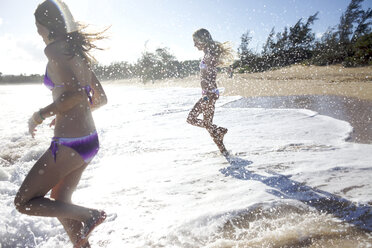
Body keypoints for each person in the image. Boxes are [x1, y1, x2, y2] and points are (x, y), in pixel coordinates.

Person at [14, 0, 108, 247]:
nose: (37, 32)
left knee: (24, 202)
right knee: (60, 198)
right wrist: (64, 113)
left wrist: (41, 114)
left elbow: (76, 94)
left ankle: (90, 215)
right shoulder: (76, 52)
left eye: (38, 26)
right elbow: (99, 98)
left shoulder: (55, 50)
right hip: (89, 141)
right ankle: (82, 244)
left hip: (69, 143)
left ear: (47, 25)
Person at [187, 28, 233, 155]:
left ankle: (218, 131)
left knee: (191, 119)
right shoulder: (208, 53)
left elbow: (212, 73)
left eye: (196, 41)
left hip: (209, 95)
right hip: (209, 94)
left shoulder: (210, 54)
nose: (195, 45)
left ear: (203, 40)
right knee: (207, 124)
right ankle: (224, 151)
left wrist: (208, 97)